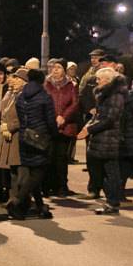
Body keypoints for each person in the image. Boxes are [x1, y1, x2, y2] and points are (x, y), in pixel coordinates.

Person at [8, 69, 57, 220]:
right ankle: (17, 201)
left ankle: (40, 207)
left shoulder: (22, 96)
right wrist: (53, 134)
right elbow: (50, 120)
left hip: (24, 137)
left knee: (30, 171)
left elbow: (21, 117)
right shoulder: (44, 97)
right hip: (40, 138)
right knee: (38, 173)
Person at [80, 67, 126, 214]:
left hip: (109, 139)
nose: (97, 82)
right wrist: (88, 125)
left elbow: (109, 119)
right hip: (102, 138)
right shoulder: (106, 94)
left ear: (107, 80)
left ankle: (113, 204)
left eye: (99, 79)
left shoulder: (115, 96)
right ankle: (111, 202)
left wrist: (89, 130)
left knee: (110, 173)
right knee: (104, 173)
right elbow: (99, 116)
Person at [44, 59, 79, 197]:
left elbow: (75, 103)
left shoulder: (71, 85)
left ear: (64, 69)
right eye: (53, 67)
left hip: (66, 126)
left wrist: (63, 117)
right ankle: (48, 186)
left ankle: (62, 186)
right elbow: (45, 102)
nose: (55, 70)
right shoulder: (46, 84)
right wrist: (54, 117)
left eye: (58, 67)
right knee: (49, 156)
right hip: (50, 125)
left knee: (62, 157)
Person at [0, 69, 27, 202]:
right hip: (9, 135)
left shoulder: (24, 95)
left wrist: (10, 127)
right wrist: (3, 124)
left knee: (19, 171)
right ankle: (13, 198)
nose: (13, 80)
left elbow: (24, 116)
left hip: (18, 136)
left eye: (17, 78)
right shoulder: (13, 94)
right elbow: (3, 111)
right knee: (12, 170)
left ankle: (19, 199)